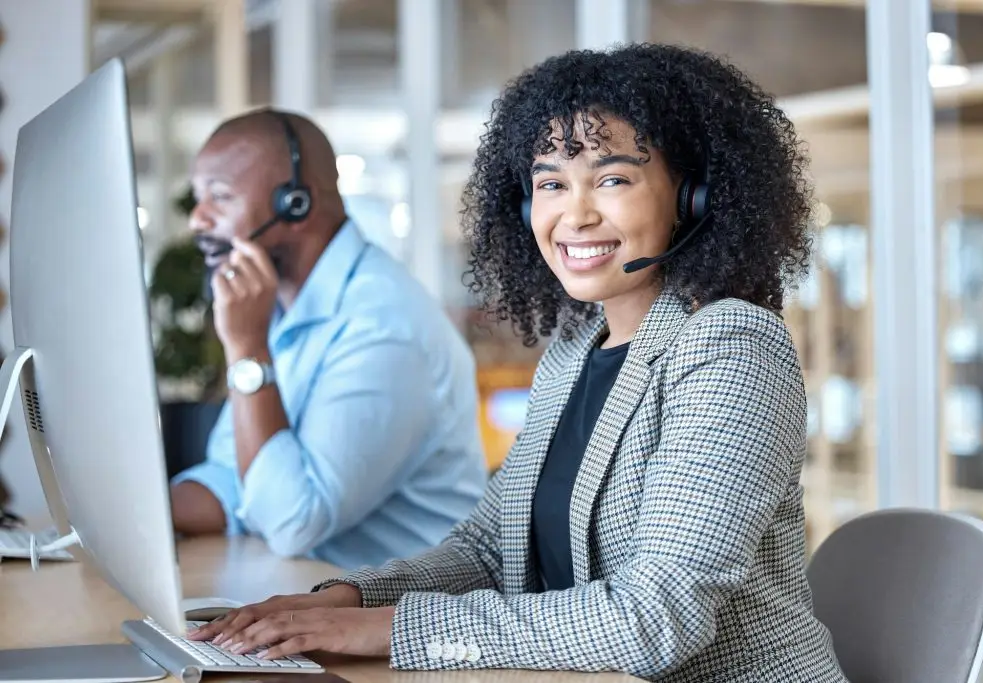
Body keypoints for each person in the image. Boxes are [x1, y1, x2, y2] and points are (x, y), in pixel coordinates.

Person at [187, 45, 850, 682]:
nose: (574, 213)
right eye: (551, 183)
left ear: (692, 198)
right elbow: (486, 549)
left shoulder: (729, 344)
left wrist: (392, 630)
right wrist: (344, 601)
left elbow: (655, 619)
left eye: (613, 178)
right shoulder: (574, 352)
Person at [169, 108, 488, 569]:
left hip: (397, 620)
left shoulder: (384, 325)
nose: (198, 221)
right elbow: (236, 478)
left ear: (295, 205)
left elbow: (293, 520)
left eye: (219, 197)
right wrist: (121, 514)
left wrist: (247, 352)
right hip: (302, 594)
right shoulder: (279, 307)